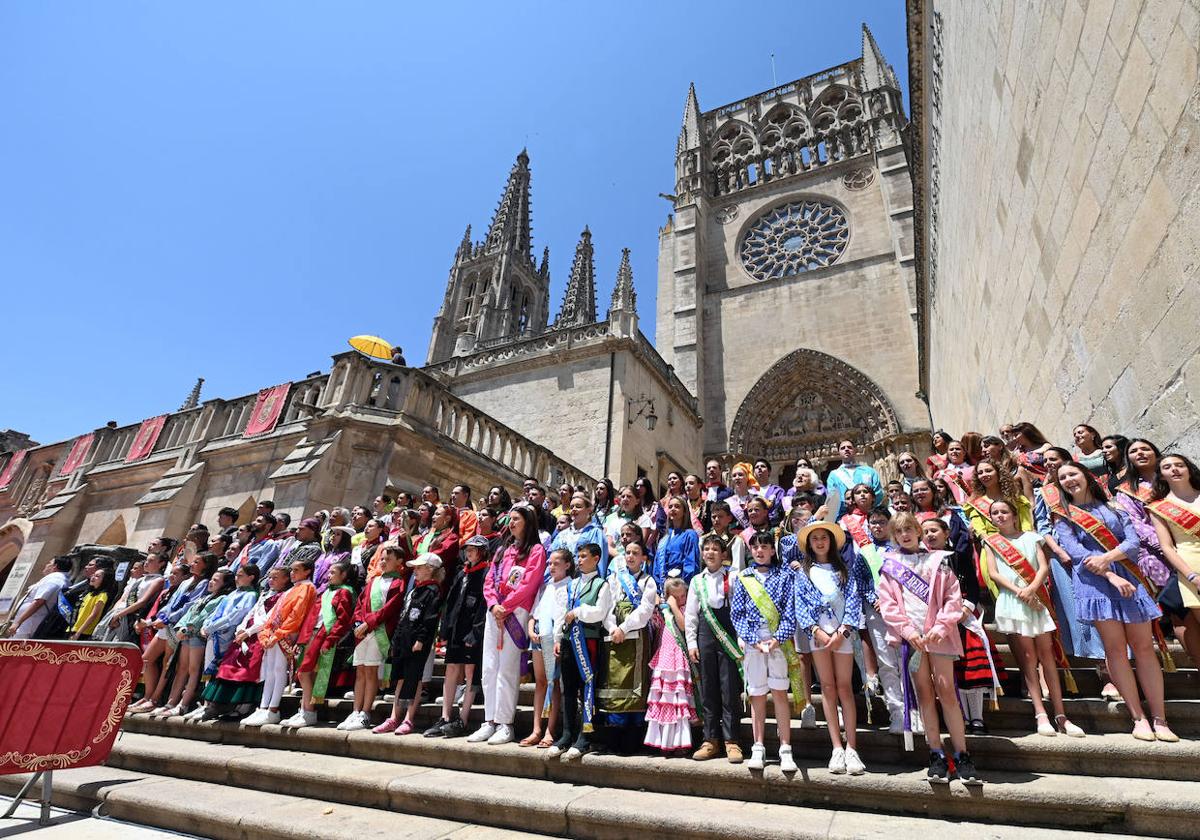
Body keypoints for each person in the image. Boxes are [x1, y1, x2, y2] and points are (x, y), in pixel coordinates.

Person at [1051, 462, 1175, 742]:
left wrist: (1107, 558)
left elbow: (1132, 542)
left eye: (1073, 474)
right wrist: (1109, 574)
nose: (1069, 480)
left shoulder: (1114, 506)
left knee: (1144, 648)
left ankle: (1160, 717)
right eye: (1063, 478)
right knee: (1115, 650)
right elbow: (1077, 552)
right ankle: (1138, 717)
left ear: (1086, 476)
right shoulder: (1063, 515)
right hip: (1095, 583)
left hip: (1128, 576)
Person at [876, 512, 981, 785]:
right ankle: (935, 752)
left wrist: (941, 627)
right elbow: (888, 606)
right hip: (913, 640)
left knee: (947, 692)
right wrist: (909, 632)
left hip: (939, 637)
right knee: (924, 694)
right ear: (894, 536)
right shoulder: (890, 565)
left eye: (909, 529)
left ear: (918, 531)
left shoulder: (940, 560)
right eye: (899, 532)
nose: (905, 535)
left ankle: (962, 753)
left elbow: (952, 598)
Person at [982, 499, 1084, 738]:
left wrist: (1032, 588)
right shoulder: (990, 542)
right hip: (1013, 601)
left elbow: (1043, 566)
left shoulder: (1031, 537)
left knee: (1047, 657)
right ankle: (1040, 713)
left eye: (1004, 511)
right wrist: (1020, 591)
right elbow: (994, 573)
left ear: (1014, 515)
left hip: (1036, 599)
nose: (999, 515)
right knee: (1028, 660)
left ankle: (1061, 715)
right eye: (995, 512)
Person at [471, 505, 547, 746]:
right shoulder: (502, 550)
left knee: (507, 668)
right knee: (489, 667)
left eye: (516, 519)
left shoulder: (536, 550)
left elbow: (529, 583)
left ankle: (505, 723)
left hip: (516, 613)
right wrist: (494, 605)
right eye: (510, 519)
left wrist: (507, 606)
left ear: (528, 522)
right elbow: (489, 581)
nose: (511, 523)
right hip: (495, 613)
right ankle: (489, 720)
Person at [794, 520, 865, 775]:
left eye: (824, 537)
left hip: (842, 634)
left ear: (831, 541)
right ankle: (836, 746)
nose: (820, 542)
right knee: (826, 687)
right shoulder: (803, 572)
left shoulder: (844, 569)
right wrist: (818, 632)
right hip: (818, 635)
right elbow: (800, 605)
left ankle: (852, 747)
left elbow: (854, 600)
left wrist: (843, 630)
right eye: (815, 539)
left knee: (845, 687)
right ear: (809, 544)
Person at [920, 517, 999, 734]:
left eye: (934, 530)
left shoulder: (960, 556)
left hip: (963, 618)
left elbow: (972, 586)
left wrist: (963, 611)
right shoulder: (921, 560)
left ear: (946, 533)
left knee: (970, 670)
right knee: (947, 674)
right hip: (935, 622)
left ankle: (976, 718)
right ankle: (959, 717)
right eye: (925, 531)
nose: (929, 535)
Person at [731, 531, 799, 773]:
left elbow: (791, 612)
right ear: (750, 551)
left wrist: (778, 638)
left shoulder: (784, 576)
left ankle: (785, 748)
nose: (760, 551)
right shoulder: (743, 578)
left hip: (778, 643)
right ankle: (758, 745)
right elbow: (737, 614)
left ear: (773, 550)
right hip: (753, 644)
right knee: (757, 694)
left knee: (780, 694)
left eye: (765, 546)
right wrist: (753, 641)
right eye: (756, 547)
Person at [194, 564, 279, 721]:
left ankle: (241, 705)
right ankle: (210, 704)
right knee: (216, 668)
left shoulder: (251, 595)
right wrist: (208, 626)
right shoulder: (241, 593)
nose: (236, 578)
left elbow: (237, 614)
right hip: (232, 633)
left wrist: (243, 631)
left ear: (251, 577)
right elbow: (230, 613)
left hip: (241, 634)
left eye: (240, 575)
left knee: (244, 669)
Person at [686, 535, 744, 763]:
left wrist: (740, 637)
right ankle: (710, 740)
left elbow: (740, 611)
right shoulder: (696, 580)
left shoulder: (734, 577)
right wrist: (691, 642)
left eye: (715, 549)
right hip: (705, 634)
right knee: (708, 688)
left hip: (728, 632)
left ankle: (732, 741)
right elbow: (691, 615)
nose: (710, 553)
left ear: (723, 554)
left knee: (729, 689)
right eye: (706, 549)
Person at [550, 542, 610, 761]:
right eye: (579, 556)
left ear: (596, 558)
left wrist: (578, 612)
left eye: (584, 556)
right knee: (569, 688)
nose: (580, 559)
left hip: (588, 641)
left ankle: (585, 736)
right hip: (569, 640)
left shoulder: (601, 584)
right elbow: (561, 612)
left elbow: (600, 612)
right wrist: (558, 637)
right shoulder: (572, 584)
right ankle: (567, 733)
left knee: (587, 687)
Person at [426, 535, 489, 740]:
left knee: (470, 671)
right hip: (455, 629)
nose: (469, 552)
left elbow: (483, 605)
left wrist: (476, 631)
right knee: (451, 668)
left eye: (474, 549)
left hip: (472, 630)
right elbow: (451, 601)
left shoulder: (486, 572)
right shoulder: (462, 572)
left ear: (482, 552)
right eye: (467, 549)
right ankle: (445, 717)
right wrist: (444, 629)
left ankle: (463, 717)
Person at [374, 553, 444, 734]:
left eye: (419, 568)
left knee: (415, 678)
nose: (415, 571)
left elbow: (429, 619)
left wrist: (420, 639)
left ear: (430, 570)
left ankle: (408, 718)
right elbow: (404, 616)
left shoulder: (433, 591)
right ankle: (393, 717)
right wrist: (396, 640)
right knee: (401, 678)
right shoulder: (414, 590)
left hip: (417, 643)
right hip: (403, 639)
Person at [598, 540, 658, 753]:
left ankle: (632, 739)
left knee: (635, 686)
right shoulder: (614, 578)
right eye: (628, 553)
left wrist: (624, 628)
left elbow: (645, 610)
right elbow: (607, 606)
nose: (631, 556)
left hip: (636, 638)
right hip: (613, 637)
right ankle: (614, 736)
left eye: (636, 553)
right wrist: (613, 627)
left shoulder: (648, 581)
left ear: (644, 557)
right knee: (613, 683)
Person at [243, 557, 316, 727]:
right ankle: (263, 707)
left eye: (296, 570)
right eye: (291, 570)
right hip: (275, 633)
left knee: (278, 669)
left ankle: (273, 709)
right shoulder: (290, 590)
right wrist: (266, 633)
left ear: (307, 572)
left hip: (288, 634)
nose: (292, 573)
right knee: (269, 670)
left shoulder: (307, 588)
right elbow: (274, 614)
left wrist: (278, 634)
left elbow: (296, 615)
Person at [341, 543, 407, 731]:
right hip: (362, 632)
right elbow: (360, 605)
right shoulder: (372, 582)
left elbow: (390, 609)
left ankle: (365, 712)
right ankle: (355, 710)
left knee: (370, 672)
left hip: (379, 633)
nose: (383, 562)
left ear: (399, 562)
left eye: (388, 559)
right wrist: (357, 624)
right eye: (382, 558)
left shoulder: (398, 583)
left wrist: (367, 624)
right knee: (360, 671)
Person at [283, 561, 356, 728]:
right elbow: (311, 618)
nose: (328, 575)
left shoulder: (344, 592)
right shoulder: (324, 593)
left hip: (324, 634)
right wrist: (301, 640)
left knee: (304, 672)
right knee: (306, 673)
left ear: (343, 575)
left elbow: (342, 619)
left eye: (333, 572)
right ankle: (304, 709)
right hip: (311, 634)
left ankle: (309, 711)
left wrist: (330, 640)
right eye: (328, 572)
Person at [158, 564, 233, 716]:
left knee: (193, 670)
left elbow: (206, 616)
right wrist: (181, 627)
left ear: (225, 584)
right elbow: (189, 613)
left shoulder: (222, 599)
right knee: (181, 669)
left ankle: (183, 704)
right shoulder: (206, 597)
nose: (211, 582)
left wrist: (188, 629)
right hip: (186, 634)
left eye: (216, 581)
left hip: (197, 636)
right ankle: (170, 702)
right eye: (212, 579)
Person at [1148, 453, 1200, 671]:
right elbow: (1167, 547)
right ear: (1161, 475)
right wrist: (1192, 576)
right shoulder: (1159, 507)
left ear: (1189, 469)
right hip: (1191, 566)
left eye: (1180, 465)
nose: (1175, 469)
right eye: (1168, 466)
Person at [645, 576, 699, 754]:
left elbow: (683, 626)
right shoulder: (663, 612)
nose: (681, 599)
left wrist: (675, 606)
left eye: (683, 595)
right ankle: (663, 741)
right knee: (664, 701)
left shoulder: (683, 609)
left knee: (678, 701)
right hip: (663, 658)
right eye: (675, 597)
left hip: (678, 660)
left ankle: (679, 742)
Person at [523, 548, 571, 748]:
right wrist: (531, 628)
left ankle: (550, 730)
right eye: (550, 563)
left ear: (567, 565)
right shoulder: (545, 586)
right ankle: (536, 729)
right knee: (541, 682)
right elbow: (534, 613)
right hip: (539, 637)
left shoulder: (570, 585)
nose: (551, 567)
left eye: (556, 563)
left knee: (554, 682)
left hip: (555, 639)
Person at [6, 557, 73, 639]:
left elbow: (39, 601)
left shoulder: (54, 580)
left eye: (49, 563)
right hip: (29, 623)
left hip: (29, 624)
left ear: (55, 566)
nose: (46, 565)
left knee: (15, 649)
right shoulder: (60, 580)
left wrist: (18, 622)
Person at [549, 493, 608, 577]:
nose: (574, 509)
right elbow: (551, 557)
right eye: (572, 507)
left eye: (578, 506)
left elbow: (600, 562)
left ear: (589, 510)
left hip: (582, 580)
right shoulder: (562, 534)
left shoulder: (595, 533)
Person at [825, 440, 884, 518]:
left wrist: (867, 507)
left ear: (855, 450)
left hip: (870, 515)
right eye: (843, 448)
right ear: (838, 452)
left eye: (849, 447)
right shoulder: (834, 475)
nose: (846, 449)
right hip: (846, 517)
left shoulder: (869, 471)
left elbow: (878, 493)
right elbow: (833, 499)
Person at [654, 496, 700, 587]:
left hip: (680, 588)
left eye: (677, 506)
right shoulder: (664, 539)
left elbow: (691, 564)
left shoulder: (689, 535)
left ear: (684, 511)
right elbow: (657, 567)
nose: (673, 509)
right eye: (670, 507)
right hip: (664, 589)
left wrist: (683, 588)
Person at [68, 567, 115, 641]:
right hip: (74, 628)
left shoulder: (102, 595)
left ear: (105, 580)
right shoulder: (89, 593)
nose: (93, 577)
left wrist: (78, 633)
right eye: (93, 575)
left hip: (84, 632)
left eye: (97, 576)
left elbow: (93, 615)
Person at [703, 500, 745, 572]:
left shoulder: (736, 541)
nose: (716, 519)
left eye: (720, 516)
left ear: (730, 518)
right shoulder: (702, 540)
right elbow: (701, 565)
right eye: (714, 517)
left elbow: (737, 568)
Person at [753, 459, 786, 526]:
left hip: (773, 526)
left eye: (762, 466)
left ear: (769, 472)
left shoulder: (778, 491)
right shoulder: (750, 491)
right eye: (757, 467)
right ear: (753, 473)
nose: (759, 468)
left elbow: (780, 509)